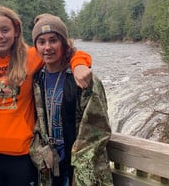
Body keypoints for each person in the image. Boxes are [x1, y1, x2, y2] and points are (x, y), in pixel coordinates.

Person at [0, 5, 92, 186]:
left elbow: (70, 52)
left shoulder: (31, 56)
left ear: (16, 31)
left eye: (5, 30)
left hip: (21, 154)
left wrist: (79, 65)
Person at [29, 13, 113, 186]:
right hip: (49, 166)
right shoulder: (37, 78)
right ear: (35, 47)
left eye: (53, 40)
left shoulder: (82, 79)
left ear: (64, 43)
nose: (47, 47)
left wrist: (79, 165)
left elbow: (98, 127)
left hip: (79, 168)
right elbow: (36, 121)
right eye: (41, 42)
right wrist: (38, 151)